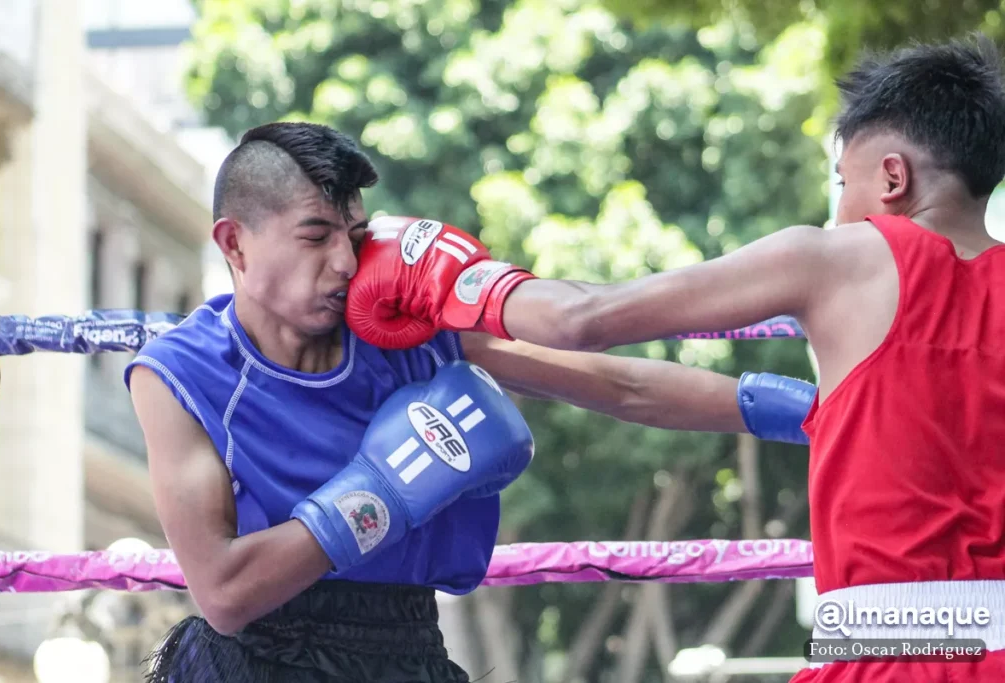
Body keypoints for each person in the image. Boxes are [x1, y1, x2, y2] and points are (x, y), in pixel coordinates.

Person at [348, 35, 1005, 681]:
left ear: (893, 175)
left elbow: (583, 318)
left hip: (886, 655)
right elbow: (636, 389)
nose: (838, 211)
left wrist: (449, 283)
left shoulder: (839, 260)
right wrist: (459, 344)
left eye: (844, 182)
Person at [128, 122, 817, 682]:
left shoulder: (403, 330)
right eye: (315, 235)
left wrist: (815, 410)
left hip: (405, 648)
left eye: (355, 236)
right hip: (257, 658)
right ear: (234, 244)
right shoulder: (180, 373)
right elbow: (222, 593)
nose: (343, 261)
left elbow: (620, 384)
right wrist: (381, 493)